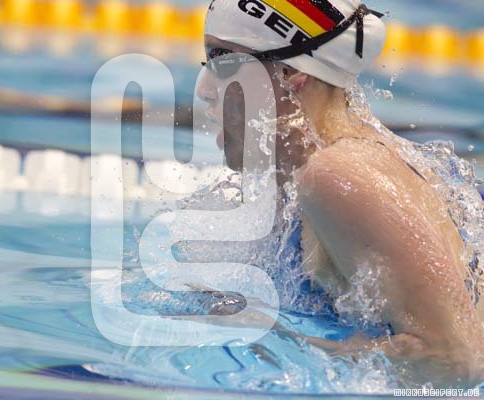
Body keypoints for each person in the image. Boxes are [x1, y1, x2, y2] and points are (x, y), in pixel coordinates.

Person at [197, 0, 484, 387]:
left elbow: (456, 363)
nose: (205, 89)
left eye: (223, 61)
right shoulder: (309, 171)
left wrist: (271, 334)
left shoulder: (337, 176)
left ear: (291, 73)